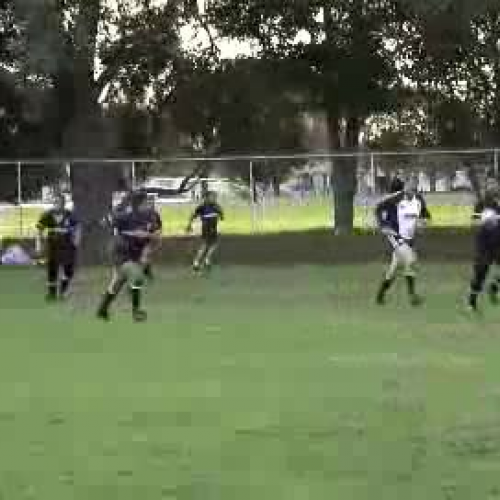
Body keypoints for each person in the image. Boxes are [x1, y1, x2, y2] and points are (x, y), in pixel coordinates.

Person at [97, 190, 159, 322]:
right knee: (136, 276)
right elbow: (103, 222)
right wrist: (114, 216)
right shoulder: (125, 216)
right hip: (121, 253)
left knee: (118, 282)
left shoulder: (150, 217)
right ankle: (136, 312)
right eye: (146, 201)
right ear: (139, 203)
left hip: (135, 253)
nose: (149, 203)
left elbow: (153, 237)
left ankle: (102, 309)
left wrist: (146, 246)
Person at [375, 176, 431, 306]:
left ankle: (380, 295)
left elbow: (426, 216)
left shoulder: (419, 200)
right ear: (405, 187)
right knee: (411, 260)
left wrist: (423, 223)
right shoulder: (395, 198)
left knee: (394, 270)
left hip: (409, 239)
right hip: (395, 235)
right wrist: (383, 225)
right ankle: (413, 297)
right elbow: (378, 208)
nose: (410, 190)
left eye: (413, 187)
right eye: (408, 186)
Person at [36, 193, 80, 301]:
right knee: (52, 269)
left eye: (59, 202)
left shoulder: (70, 215)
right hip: (52, 245)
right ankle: (51, 294)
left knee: (68, 270)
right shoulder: (47, 215)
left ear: (63, 203)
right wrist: (39, 244)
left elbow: (78, 227)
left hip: (67, 246)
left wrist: (76, 241)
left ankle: (63, 292)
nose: (56, 204)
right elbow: (39, 230)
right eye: (55, 202)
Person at [467, 181, 500, 311]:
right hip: (484, 244)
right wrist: (486, 222)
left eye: (495, 185)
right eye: (490, 185)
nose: (493, 187)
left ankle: (494, 287)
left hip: (498, 242)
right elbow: (473, 222)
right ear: (486, 188)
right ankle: (472, 302)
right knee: (480, 273)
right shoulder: (481, 203)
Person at [186, 191, 224, 271]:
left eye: (215, 197)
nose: (214, 198)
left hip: (214, 228)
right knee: (205, 245)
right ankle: (196, 262)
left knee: (213, 245)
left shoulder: (216, 206)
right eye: (212, 197)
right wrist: (189, 225)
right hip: (206, 228)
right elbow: (193, 215)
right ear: (207, 198)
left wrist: (220, 216)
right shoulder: (202, 207)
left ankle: (206, 260)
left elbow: (221, 217)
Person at [142, 194, 162, 281]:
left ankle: (147, 271)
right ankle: (147, 272)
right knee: (145, 256)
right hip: (143, 237)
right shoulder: (142, 213)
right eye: (149, 202)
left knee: (146, 255)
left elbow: (159, 225)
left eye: (152, 202)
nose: (151, 204)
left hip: (151, 237)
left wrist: (158, 233)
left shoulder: (155, 214)